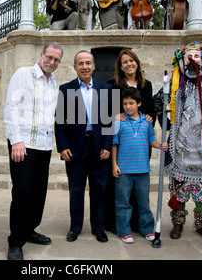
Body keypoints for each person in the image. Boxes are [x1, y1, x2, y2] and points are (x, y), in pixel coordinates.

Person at [4, 42, 63, 260]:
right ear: (41, 55)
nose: (52, 62)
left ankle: (29, 230)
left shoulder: (53, 82)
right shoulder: (24, 74)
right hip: (23, 145)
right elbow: (11, 107)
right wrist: (16, 140)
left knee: (38, 193)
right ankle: (15, 241)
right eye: (49, 57)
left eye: (56, 60)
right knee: (22, 192)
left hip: (44, 145)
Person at [162, 42, 202, 241]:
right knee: (178, 188)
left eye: (196, 56)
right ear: (181, 60)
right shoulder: (172, 83)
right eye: (189, 56)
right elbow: (159, 105)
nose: (192, 60)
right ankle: (178, 223)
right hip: (180, 145)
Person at [55, 50, 114, 243]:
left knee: (99, 189)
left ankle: (98, 228)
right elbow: (60, 121)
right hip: (75, 148)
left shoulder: (105, 89)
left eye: (88, 63)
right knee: (76, 189)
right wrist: (62, 146)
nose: (84, 67)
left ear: (94, 66)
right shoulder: (66, 89)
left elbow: (109, 121)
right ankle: (75, 227)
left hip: (99, 148)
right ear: (74, 67)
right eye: (80, 63)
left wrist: (106, 145)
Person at [105, 49, 156, 233]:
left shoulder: (146, 85)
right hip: (122, 141)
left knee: (140, 185)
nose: (129, 64)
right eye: (124, 62)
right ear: (120, 66)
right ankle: (117, 223)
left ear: (137, 63)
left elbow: (150, 109)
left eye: (131, 61)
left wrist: (150, 118)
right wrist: (115, 115)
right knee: (121, 185)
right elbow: (106, 111)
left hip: (140, 140)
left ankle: (138, 224)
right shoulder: (112, 84)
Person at [111, 87, 168, 244]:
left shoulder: (147, 122)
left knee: (143, 202)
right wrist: (114, 164)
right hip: (124, 170)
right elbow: (114, 144)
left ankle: (147, 229)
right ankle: (124, 230)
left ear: (139, 103)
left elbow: (151, 140)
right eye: (125, 104)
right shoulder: (118, 122)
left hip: (143, 169)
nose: (128, 107)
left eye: (131, 103)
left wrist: (160, 145)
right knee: (123, 203)